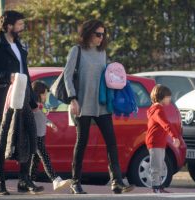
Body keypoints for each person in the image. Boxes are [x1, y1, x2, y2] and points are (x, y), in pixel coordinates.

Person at [64, 19, 134, 194]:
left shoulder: (102, 53)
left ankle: (117, 181)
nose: (101, 38)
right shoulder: (77, 51)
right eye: (98, 34)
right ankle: (75, 182)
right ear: (88, 33)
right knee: (82, 142)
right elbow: (67, 76)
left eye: (103, 34)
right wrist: (73, 99)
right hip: (83, 104)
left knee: (111, 141)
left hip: (102, 105)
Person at [0, 10, 43, 196]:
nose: (22, 28)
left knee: (27, 137)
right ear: (8, 26)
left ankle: (24, 179)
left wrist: (33, 101)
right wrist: (9, 76)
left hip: (23, 99)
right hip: (4, 100)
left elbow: (26, 74)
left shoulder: (20, 47)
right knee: (2, 139)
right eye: (19, 25)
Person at [30, 81, 71, 191]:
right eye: (44, 94)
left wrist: (49, 123)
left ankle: (30, 182)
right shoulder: (34, 106)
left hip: (41, 135)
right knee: (44, 156)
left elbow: (42, 118)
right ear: (38, 94)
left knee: (36, 160)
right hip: (36, 136)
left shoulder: (40, 106)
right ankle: (55, 180)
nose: (45, 96)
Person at [146, 84, 181, 193]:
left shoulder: (157, 109)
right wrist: (175, 137)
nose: (170, 99)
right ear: (162, 96)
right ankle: (156, 187)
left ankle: (159, 186)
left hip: (159, 142)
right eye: (168, 97)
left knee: (160, 164)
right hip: (155, 142)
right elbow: (166, 124)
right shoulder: (158, 110)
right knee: (156, 165)